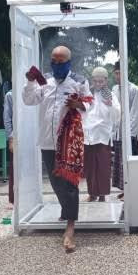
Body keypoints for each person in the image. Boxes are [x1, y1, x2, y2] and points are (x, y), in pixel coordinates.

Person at [22, 45, 91, 252]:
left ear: (69, 62)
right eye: (54, 61)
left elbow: (90, 104)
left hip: (68, 141)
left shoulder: (79, 81)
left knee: (69, 183)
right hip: (47, 140)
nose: (56, 65)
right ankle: (66, 209)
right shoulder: (45, 80)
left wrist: (77, 104)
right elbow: (29, 100)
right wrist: (30, 81)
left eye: (61, 61)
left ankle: (70, 227)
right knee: (55, 182)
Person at [83, 67, 120, 202]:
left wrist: (110, 105)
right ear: (92, 80)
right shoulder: (88, 94)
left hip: (103, 135)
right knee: (90, 167)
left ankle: (103, 194)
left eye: (101, 81)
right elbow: (82, 112)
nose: (98, 84)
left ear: (105, 81)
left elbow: (117, 116)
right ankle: (92, 193)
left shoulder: (110, 94)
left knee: (103, 167)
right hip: (88, 134)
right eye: (96, 81)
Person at [112, 61, 138, 200]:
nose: (118, 76)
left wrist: (129, 135)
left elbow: (136, 113)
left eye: (120, 73)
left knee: (129, 163)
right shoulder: (114, 90)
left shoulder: (134, 89)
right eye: (116, 73)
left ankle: (132, 191)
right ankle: (125, 190)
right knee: (120, 163)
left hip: (129, 134)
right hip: (118, 132)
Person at [3, 89, 14, 205]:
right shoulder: (10, 95)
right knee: (15, 169)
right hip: (16, 137)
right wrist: (11, 138)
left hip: (31, 136)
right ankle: (13, 200)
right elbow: (7, 118)